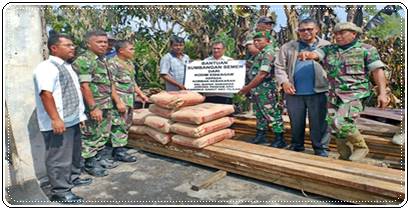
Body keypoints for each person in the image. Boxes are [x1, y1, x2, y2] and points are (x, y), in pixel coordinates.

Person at [299, 22, 389, 161]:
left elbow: (377, 71)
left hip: (355, 94)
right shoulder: (329, 49)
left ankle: (361, 147)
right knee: (334, 126)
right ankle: (345, 155)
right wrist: (309, 54)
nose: (338, 36)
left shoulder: (366, 49)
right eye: (335, 34)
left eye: (342, 33)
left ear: (354, 34)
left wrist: (382, 93)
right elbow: (316, 54)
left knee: (341, 122)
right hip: (334, 95)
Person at [33, 34, 91, 204]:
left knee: (73, 154)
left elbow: (71, 93)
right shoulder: (47, 67)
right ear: (54, 48)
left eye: (73, 45)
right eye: (68, 45)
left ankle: (72, 178)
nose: (72, 48)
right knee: (59, 158)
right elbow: (46, 94)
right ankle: (60, 191)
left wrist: (80, 116)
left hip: (72, 119)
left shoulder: (67, 66)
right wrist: (56, 119)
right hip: (59, 122)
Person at [274, 19, 331, 157]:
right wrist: (284, 83)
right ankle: (297, 145)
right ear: (298, 31)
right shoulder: (288, 47)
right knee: (296, 121)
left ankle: (320, 148)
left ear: (317, 29)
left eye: (310, 29)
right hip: (294, 92)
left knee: (319, 122)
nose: (306, 32)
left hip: (319, 90)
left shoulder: (326, 46)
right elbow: (279, 66)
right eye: (302, 30)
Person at [72, 30, 114, 177]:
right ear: (88, 44)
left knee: (103, 133)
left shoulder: (101, 60)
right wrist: (93, 107)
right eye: (99, 42)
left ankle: (98, 158)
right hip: (94, 106)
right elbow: (85, 85)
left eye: (105, 42)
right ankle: (89, 163)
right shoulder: (84, 61)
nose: (104, 45)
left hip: (106, 103)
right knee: (91, 134)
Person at [239, 31, 285, 147]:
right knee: (259, 113)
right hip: (257, 89)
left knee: (272, 113)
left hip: (265, 88)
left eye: (259, 40)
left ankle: (279, 138)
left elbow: (262, 74)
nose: (256, 42)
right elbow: (253, 67)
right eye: (255, 40)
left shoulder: (268, 53)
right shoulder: (260, 53)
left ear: (268, 41)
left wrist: (247, 88)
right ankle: (261, 134)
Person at [109, 40, 149, 162]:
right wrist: (118, 102)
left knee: (126, 123)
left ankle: (120, 147)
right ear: (121, 50)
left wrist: (140, 94)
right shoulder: (112, 64)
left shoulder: (129, 63)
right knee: (119, 124)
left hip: (129, 98)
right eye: (131, 49)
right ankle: (118, 151)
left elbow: (132, 81)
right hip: (120, 98)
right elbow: (110, 85)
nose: (134, 51)